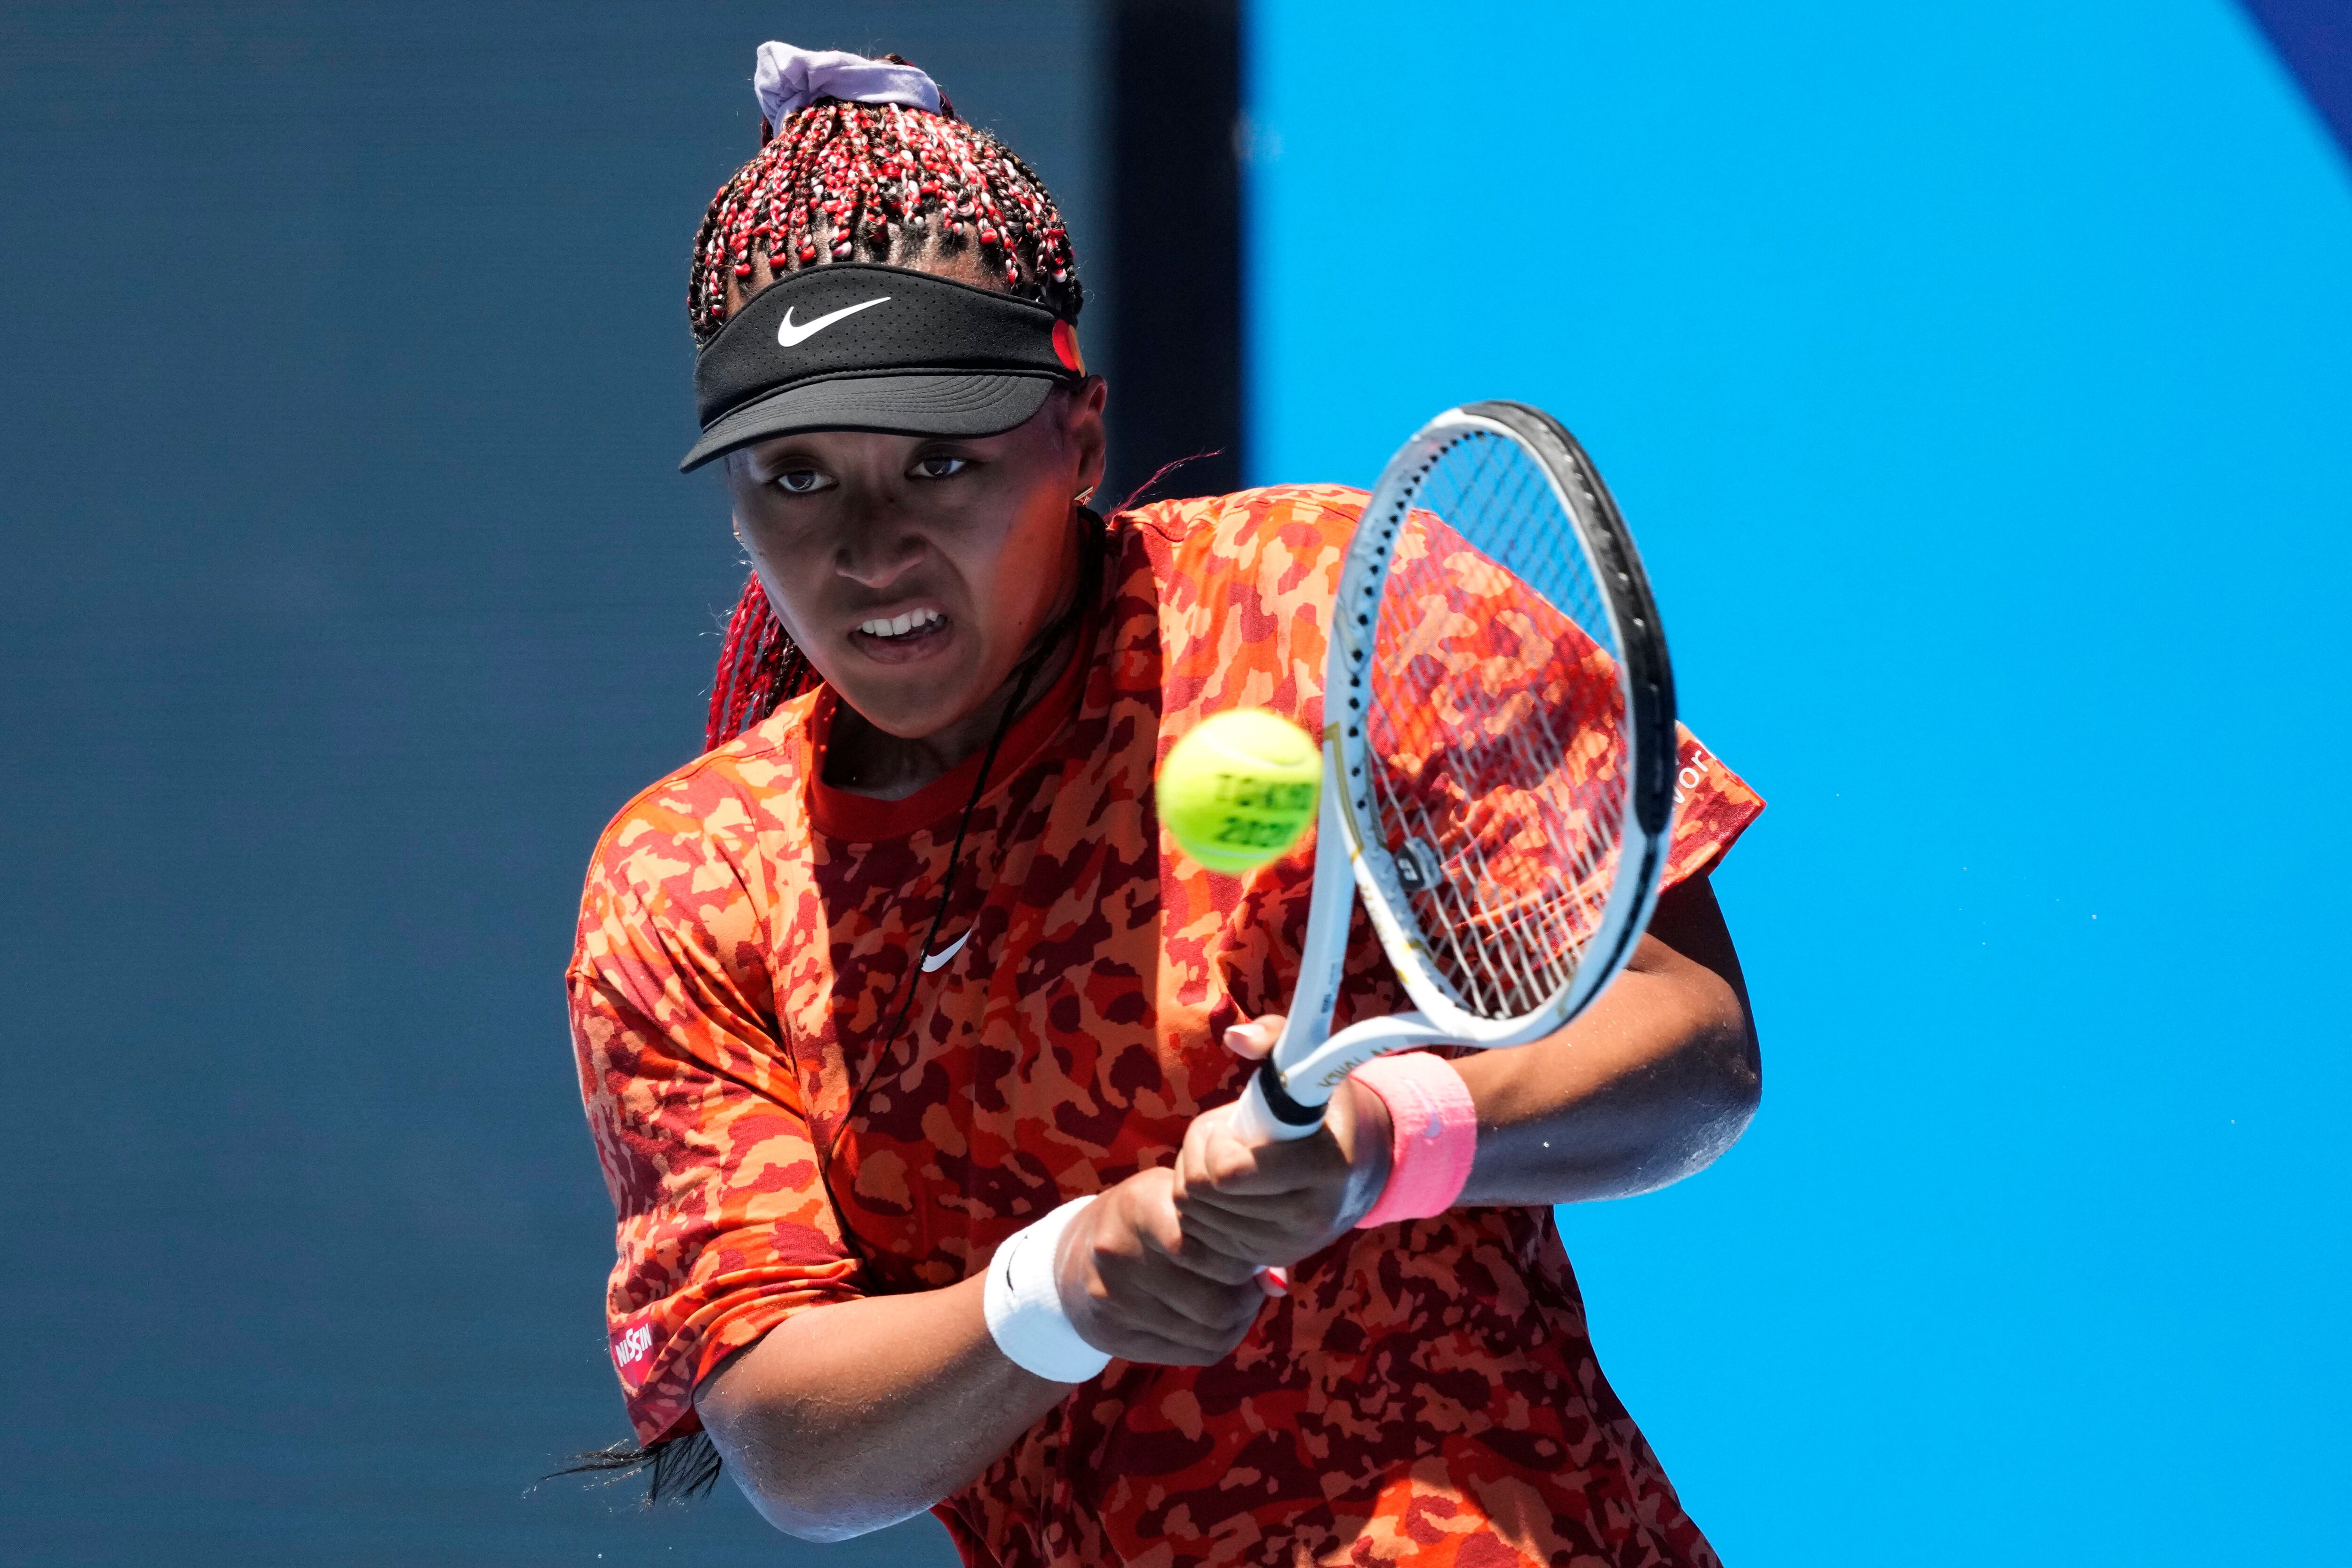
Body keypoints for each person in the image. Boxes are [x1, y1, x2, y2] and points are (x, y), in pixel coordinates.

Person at [568, 42, 1767, 1568]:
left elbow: (1694, 1051)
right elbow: (793, 1444)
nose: (871, 548)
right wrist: (1061, 1289)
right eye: (798, 480)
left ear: (1078, 441)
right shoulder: (688, 886)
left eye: (942, 461)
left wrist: (1382, 1141)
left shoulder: (1331, 603)